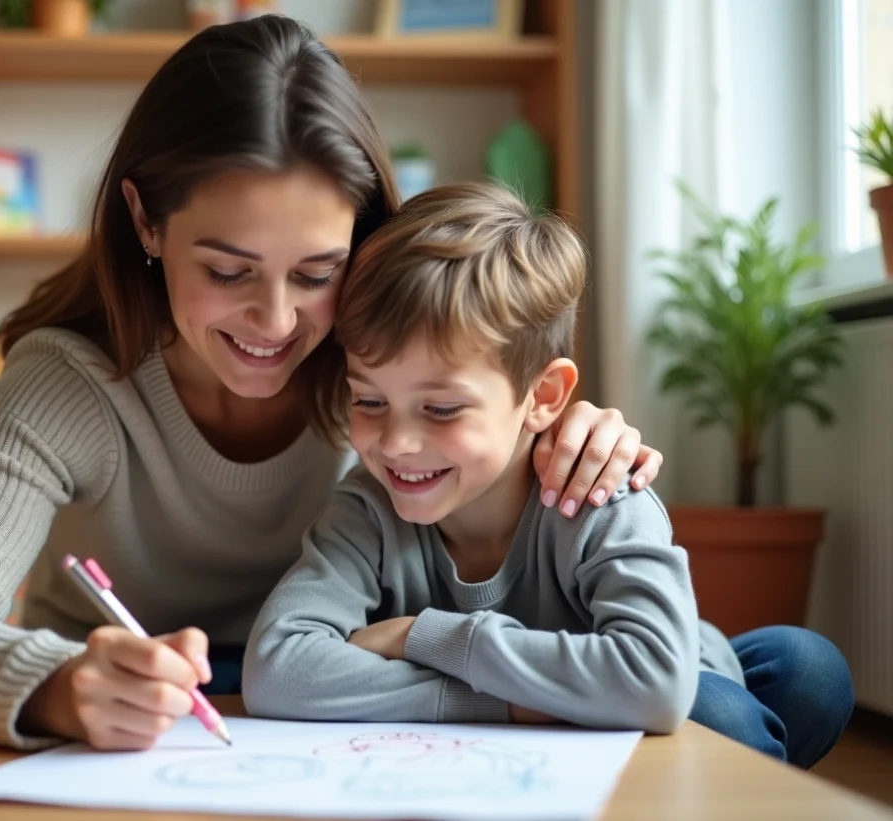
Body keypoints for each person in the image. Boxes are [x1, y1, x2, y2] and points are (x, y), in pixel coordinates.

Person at [0, 15, 664, 754]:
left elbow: (491, 381)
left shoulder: (376, 364)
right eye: (227, 269)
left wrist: (560, 431)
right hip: (151, 726)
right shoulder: (72, 383)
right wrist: (60, 687)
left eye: (319, 271)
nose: (276, 320)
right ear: (145, 221)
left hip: (351, 707)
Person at [242, 182, 854, 766]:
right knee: (721, 720)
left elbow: (656, 683)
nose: (397, 443)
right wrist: (504, 705)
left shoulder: (596, 491)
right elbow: (276, 668)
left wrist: (426, 637)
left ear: (543, 395)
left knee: (791, 677)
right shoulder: (365, 509)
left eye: (442, 408)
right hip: (573, 713)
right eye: (369, 401)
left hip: (684, 665)